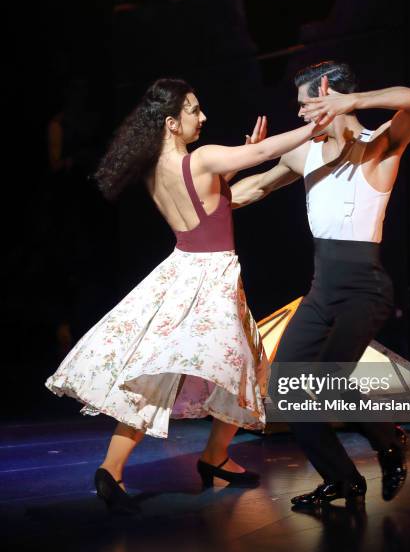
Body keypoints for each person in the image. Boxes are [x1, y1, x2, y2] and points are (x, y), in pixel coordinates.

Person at [45, 77, 332, 514]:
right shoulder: (204, 158)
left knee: (168, 374)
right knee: (248, 368)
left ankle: (120, 466)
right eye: (194, 110)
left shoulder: (155, 171)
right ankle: (211, 456)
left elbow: (206, 200)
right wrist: (318, 123)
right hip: (210, 277)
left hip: (179, 272)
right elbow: (260, 154)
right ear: (171, 123)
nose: (203, 117)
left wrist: (235, 164)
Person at [231, 61, 410, 508]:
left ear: (332, 98)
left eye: (307, 105)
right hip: (322, 289)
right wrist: (232, 168)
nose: (301, 115)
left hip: (365, 287)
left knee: (326, 380)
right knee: (285, 389)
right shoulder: (305, 154)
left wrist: (356, 102)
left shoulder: (378, 147)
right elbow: (251, 191)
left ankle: (389, 440)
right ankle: (342, 480)